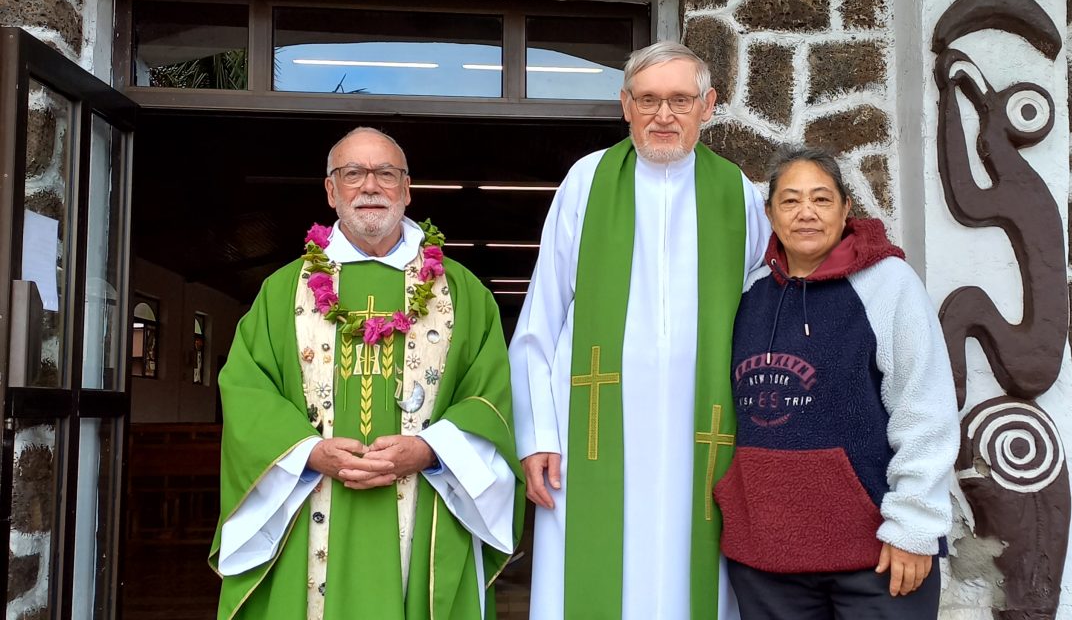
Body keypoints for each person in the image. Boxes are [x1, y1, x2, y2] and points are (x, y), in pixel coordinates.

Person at [209, 127, 523, 620]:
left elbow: (491, 398)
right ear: (331, 191)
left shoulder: (462, 291)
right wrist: (308, 451)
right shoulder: (281, 290)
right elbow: (247, 389)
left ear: (407, 188)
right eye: (352, 173)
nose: (370, 186)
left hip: (427, 500)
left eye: (385, 173)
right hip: (309, 496)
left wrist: (428, 449)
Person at [509, 41, 770, 619]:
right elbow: (542, 314)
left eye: (680, 99)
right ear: (624, 105)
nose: (664, 115)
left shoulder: (739, 194)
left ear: (709, 105)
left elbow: (759, 317)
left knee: (692, 577)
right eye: (648, 99)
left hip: (703, 430)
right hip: (592, 429)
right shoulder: (588, 181)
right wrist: (538, 435)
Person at [714, 147, 959, 619]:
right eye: (790, 201)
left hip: (877, 557)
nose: (806, 213)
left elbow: (924, 407)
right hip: (768, 558)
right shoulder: (746, 291)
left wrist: (913, 526)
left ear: (846, 209)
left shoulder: (888, 284)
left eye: (821, 199)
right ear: (770, 213)